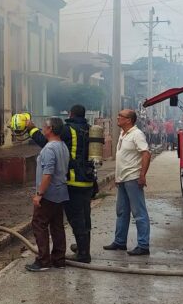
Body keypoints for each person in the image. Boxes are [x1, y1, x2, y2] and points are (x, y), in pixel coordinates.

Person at [27, 105, 96, 263]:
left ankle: (83, 254)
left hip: (72, 182)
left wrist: (31, 130)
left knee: (75, 219)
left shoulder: (68, 130)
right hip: (88, 180)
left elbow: (47, 141)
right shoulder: (89, 128)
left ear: (70, 113)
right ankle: (79, 249)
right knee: (84, 218)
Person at [104, 109, 152, 256]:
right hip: (123, 179)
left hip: (132, 178)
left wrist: (142, 175)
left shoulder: (137, 134)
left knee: (139, 213)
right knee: (122, 212)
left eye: (121, 116)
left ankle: (143, 245)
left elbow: (146, 153)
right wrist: (117, 178)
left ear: (129, 120)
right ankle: (120, 242)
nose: (117, 117)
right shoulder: (123, 134)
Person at [26, 117, 70, 272]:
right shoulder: (63, 146)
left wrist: (39, 194)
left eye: (44, 126)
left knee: (39, 224)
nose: (42, 128)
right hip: (61, 192)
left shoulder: (49, 149)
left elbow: (48, 173)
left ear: (50, 129)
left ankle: (43, 261)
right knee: (57, 226)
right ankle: (59, 259)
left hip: (49, 194)